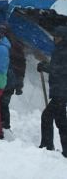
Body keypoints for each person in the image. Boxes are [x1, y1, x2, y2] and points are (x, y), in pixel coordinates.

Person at [37, 26, 67, 157]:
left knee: (47, 116)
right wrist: (46, 65)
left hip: (62, 91)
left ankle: (47, 145)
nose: (55, 38)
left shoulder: (64, 51)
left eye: (58, 37)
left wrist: (46, 67)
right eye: (55, 36)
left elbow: (60, 69)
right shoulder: (59, 50)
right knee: (61, 121)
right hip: (59, 90)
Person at [1, 29, 26, 129]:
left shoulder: (10, 48)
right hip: (8, 81)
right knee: (3, 103)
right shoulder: (14, 47)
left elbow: (20, 68)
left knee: (2, 103)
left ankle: (4, 125)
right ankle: (3, 124)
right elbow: (21, 68)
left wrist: (19, 84)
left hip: (8, 81)